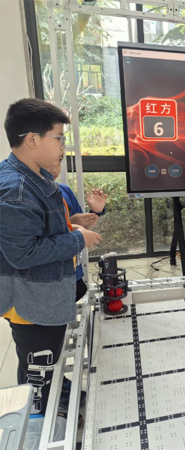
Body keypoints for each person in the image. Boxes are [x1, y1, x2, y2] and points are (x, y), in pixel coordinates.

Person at [0, 98, 101, 415]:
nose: (62, 145)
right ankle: (41, 416)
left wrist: (71, 224)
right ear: (32, 139)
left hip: (44, 294)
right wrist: (77, 238)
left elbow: (36, 230)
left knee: (49, 356)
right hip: (31, 303)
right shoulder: (16, 190)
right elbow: (24, 253)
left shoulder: (33, 176)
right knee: (37, 367)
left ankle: (60, 392)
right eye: (58, 137)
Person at [47, 163, 107, 302]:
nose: (54, 169)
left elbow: (83, 228)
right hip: (49, 277)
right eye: (48, 163)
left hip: (74, 271)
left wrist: (95, 212)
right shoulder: (25, 196)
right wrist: (69, 223)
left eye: (59, 161)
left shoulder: (64, 190)